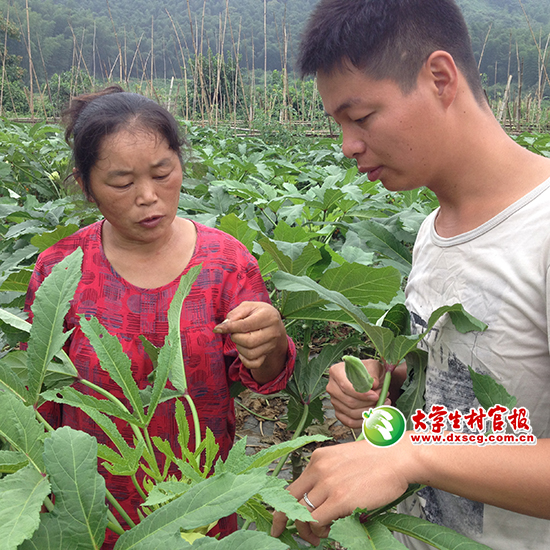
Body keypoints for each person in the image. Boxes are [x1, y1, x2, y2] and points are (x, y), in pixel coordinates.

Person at [271, 0, 550, 548]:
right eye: (340, 124)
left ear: (440, 78)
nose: (349, 145)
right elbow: (458, 395)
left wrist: (412, 454)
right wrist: (389, 381)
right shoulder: (432, 232)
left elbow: (424, 450)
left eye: (361, 117)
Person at [24, 85, 295, 547]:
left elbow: (265, 376)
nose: (148, 197)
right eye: (122, 182)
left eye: (162, 172)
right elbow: (42, 394)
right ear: (86, 184)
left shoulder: (225, 261)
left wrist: (271, 343)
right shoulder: (61, 268)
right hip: (96, 506)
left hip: (198, 499)